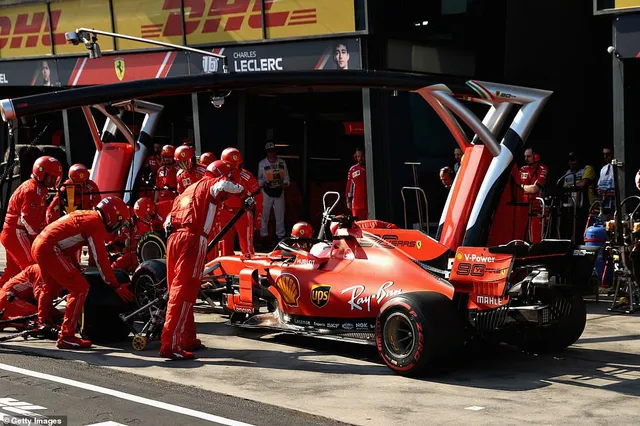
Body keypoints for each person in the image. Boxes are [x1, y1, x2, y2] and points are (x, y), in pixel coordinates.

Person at [161, 161, 246, 360]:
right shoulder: (212, 183)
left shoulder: (186, 192)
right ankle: (170, 344)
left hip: (173, 239)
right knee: (185, 292)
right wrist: (243, 194)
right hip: (193, 238)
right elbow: (224, 185)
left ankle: (187, 338)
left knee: (176, 289)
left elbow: (167, 222)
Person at [32, 196, 135, 349]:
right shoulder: (95, 224)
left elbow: (68, 243)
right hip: (49, 248)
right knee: (80, 288)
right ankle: (66, 336)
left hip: (40, 244)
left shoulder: (87, 215)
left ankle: (43, 321)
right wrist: (114, 284)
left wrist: (75, 266)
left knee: (50, 286)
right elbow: (100, 258)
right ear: (113, 217)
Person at [0, 156, 63, 286]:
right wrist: (41, 239)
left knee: (13, 271)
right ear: (42, 174)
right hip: (16, 233)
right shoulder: (33, 191)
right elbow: (28, 220)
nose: (54, 181)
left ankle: (5, 297)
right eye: (52, 177)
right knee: (34, 268)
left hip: (12, 232)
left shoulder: (38, 189)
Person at [218, 149, 263, 257]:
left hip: (242, 213)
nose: (234, 168)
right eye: (231, 166)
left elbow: (258, 196)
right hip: (225, 212)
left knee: (247, 248)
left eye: (237, 165)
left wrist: (257, 217)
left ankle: (250, 270)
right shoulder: (218, 176)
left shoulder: (246, 176)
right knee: (225, 247)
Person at [110, 197, 164, 273]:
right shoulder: (130, 225)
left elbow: (146, 243)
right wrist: (114, 246)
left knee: (125, 260)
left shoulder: (148, 223)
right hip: (141, 253)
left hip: (151, 252)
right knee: (121, 261)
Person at [561, 151, 596, 243]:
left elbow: (583, 184)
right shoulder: (568, 173)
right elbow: (564, 187)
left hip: (586, 205)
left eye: (573, 160)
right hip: (571, 205)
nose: (571, 163)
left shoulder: (587, 169)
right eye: (569, 160)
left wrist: (572, 187)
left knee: (582, 229)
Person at [258, 142, 290, 241]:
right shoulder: (262, 163)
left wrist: (285, 184)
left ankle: (280, 237)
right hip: (267, 192)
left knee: (280, 215)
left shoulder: (282, 162)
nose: (271, 154)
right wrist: (264, 183)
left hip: (279, 191)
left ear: (275, 152)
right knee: (264, 215)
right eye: (269, 152)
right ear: (266, 153)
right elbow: (259, 180)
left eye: (272, 151)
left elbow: (286, 178)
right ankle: (264, 236)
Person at [0, 264, 46, 330]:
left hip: (12, 297)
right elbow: (41, 297)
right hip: (8, 298)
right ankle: (9, 322)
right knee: (39, 315)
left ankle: (8, 321)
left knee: (42, 313)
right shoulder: (40, 270)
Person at [518, 147, 549, 242]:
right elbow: (516, 187)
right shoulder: (523, 169)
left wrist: (522, 186)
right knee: (519, 238)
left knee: (535, 239)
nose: (526, 159)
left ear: (535, 156)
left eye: (528, 156)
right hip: (522, 207)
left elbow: (535, 189)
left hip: (537, 209)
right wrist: (526, 187)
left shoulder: (543, 169)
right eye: (525, 156)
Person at [346, 148, 368, 219]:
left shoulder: (370, 168)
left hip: (369, 204)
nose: (360, 158)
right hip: (357, 204)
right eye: (358, 157)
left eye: (362, 156)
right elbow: (349, 187)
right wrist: (348, 200)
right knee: (357, 225)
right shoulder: (353, 169)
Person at [597, 146, 616, 214]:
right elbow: (599, 185)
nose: (605, 156)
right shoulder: (603, 169)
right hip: (604, 202)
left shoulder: (618, 169)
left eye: (608, 154)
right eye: (604, 154)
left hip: (614, 202)